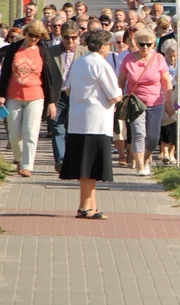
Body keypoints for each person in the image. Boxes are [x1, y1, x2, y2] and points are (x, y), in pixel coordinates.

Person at [59, 29, 122, 220]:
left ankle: (92, 205)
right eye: (108, 45)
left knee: (90, 168)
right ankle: (84, 207)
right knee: (89, 167)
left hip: (78, 120)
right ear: (103, 46)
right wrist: (120, 94)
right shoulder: (101, 64)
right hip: (96, 122)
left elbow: (68, 90)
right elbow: (114, 95)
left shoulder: (79, 62)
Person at [0, 20, 61, 176]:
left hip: (36, 97)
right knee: (14, 133)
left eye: (38, 36)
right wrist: (1, 96)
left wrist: (51, 102)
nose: (34, 39)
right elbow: (5, 74)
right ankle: (18, 159)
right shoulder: (13, 49)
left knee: (31, 132)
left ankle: (27, 166)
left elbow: (48, 79)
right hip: (14, 96)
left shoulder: (43, 52)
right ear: (25, 33)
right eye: (32, 35)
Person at [117, 28, 175, 176]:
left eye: (149, 44)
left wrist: (170, 102)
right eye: (142, 44)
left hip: (155, 102)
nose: (145, 47)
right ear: (136, 43)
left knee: (153, 137)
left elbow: (167, 81)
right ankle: (141, 166)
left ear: (153, 45)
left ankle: (146, 158)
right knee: (138, 133)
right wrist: (117, 100)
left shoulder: (159, 59)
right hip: (135, 103)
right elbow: (121, 82)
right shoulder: (129, 59)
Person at [48, 21, 89, 172]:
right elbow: (47, 78)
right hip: (58, 96)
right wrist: (50, 100)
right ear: (61, 37)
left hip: (77, 96)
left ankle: (73, 159)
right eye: (67, 37)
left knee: (75, 129)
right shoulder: (51, 52)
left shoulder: (85, 52)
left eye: (73, 37)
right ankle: (60, 160)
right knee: (57, 128)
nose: (70, 41)